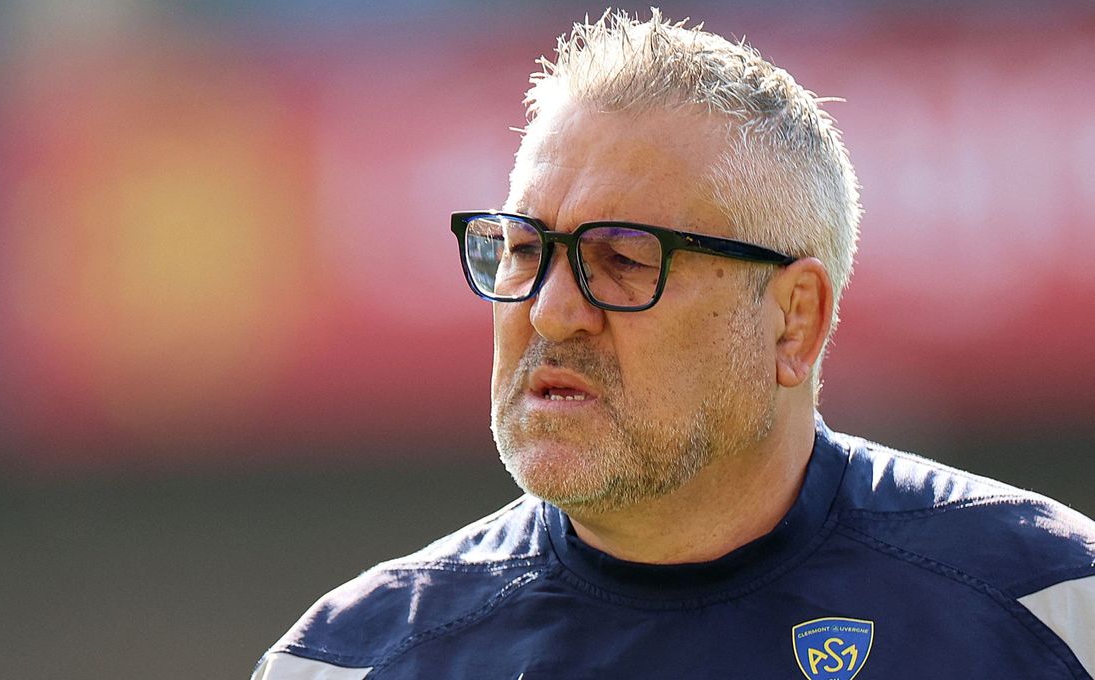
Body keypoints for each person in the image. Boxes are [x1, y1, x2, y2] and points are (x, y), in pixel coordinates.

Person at [253, 10, 1094, 679]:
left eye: (622, 261)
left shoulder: (1055, 610)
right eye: (524, 251)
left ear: (794, 320)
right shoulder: (346, 661)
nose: (551, 313)